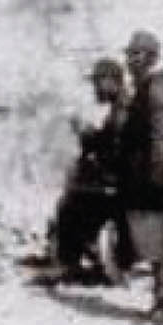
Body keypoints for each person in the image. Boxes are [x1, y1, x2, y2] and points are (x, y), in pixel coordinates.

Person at [116, 30, 163, 323]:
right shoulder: (157, 85)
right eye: (128, 55)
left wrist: (156, 181)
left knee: (161, 244)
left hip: (160, 180)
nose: (128, 62)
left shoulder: (155, 90)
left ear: (148, 57)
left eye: (133, 56)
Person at [53, 58, 131, 281]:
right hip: (121, 179)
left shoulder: (121, 111)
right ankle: (92, 255)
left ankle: (70, 263)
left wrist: (85, 134)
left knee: (69, 205)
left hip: (119, 183)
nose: (95, 88)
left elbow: (112, 148)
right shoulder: (122, 106)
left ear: (111, 81)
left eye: (97, 82)